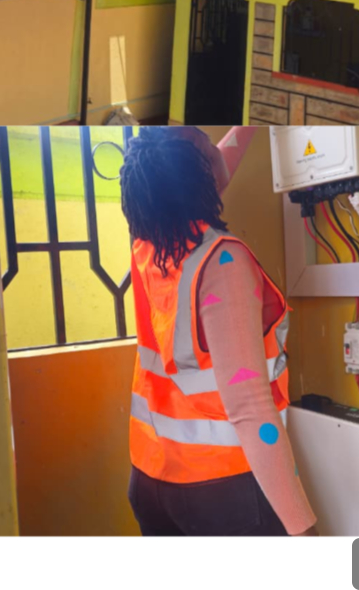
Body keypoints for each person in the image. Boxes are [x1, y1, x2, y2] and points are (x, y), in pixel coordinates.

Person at [121, 126, 318, 536]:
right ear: (198, 176)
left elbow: (212, 166)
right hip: (220, 489)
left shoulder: (148, 241)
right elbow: (249, 409)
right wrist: (302, 529)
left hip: (151, 477)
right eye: (205, 148)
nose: (217, 148)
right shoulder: (222, 261)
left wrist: (255, 123)